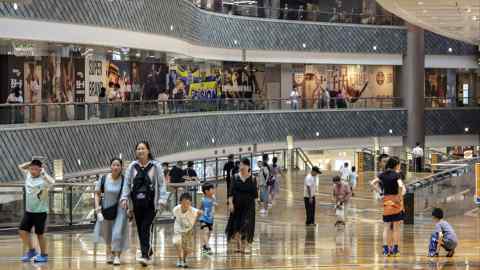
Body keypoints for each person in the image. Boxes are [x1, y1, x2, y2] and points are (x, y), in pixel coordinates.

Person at [120, 141, 168, 266]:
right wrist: (124, 198)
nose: (140, 151)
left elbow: (162, 184)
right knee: (141, 228)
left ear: (148, 150)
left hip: (151, 203)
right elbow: (127, 183)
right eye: (138, 149)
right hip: (136, 203)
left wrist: (162, 199)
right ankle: (147, 249)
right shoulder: (132, 166)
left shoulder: (156, 166)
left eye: (143, 148)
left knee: (145, 227)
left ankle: (145, 255)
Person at [18, 159, 55, 263]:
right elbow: (20, 167)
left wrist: (43, 173)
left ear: (40, 169)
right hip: (29, 211)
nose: (33, 171)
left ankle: (43, 255)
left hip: (40, 212)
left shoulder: (44, 179)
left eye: (35, 169)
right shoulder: (28, 175)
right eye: (31, 169)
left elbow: (53, 182)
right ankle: (32, 251)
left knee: (40, 234)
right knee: (22, 231)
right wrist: (29, 163)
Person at [94, 158, 129, 265]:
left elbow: (127, 194)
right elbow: (97, 193)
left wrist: (128, 207)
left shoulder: (124, 180)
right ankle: (109, 254)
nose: (116, 167)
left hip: (120, 210)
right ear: (110, 166)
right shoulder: (104, 178)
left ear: (121, 167)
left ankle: (117, 256)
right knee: (107, 234)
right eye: (114, 165)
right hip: (106, 209)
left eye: (118, 165)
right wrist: (97, 209)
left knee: (117, 233)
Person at [370, 157, 405, 257]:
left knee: (386, 227)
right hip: (395, 201)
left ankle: (385, 250)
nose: (399, 166)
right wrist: (399, 196)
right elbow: (401, 186)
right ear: (396, 165)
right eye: (399, 164)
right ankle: (395, 249)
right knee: (396, 227)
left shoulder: (382, 174)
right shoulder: (397, 175)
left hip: (386, 200)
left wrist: (380, 193)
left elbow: (372, 183)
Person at [225, 158, 257, 254]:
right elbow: (230, 193)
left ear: (248, 167)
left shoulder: (253, 179)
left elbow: (255, 194)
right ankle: (238, 246)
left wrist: (256, 205)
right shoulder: (235, 177)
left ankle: (244, 246)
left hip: (249, 206)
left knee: (246, 225)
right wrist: (230, 203)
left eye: (243, 165)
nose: (241, 167)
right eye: (240, 165)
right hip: (237, 205)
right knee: (237, 226)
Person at [172, 192, 202, 268]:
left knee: (187, 249)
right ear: (180, 202)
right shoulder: (176, 209)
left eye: (188, 203)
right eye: (183, 203)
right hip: (178, 229)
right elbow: (174, 217)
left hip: (188, 230)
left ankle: (184, 259)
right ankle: (179, 259)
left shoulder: (193, 211)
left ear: (190, 203)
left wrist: (201, 213)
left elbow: (200, 212)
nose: (185, 205)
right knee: (177, 242)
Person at [199, 183, 216, 255]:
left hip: (211, 219)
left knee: (209, 233)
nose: (213, 190)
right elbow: (199, 209)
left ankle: (205, 246)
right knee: (205, 231)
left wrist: (216, 205)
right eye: (212, 189)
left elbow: (215, 208)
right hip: (203, 218)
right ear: (206, 191)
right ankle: (208, 247)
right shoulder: (202, 200)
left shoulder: (213, 198)